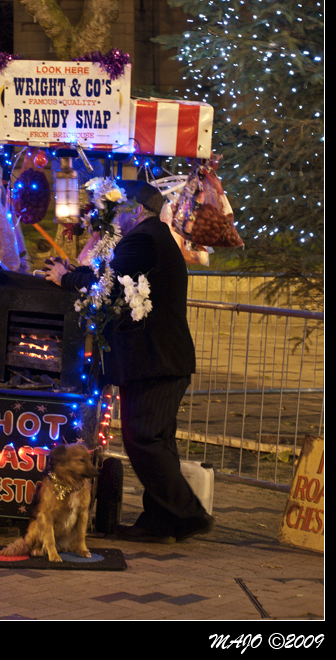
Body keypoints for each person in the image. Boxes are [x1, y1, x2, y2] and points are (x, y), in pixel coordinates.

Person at [44, 179, 214, 543]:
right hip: (159, 360)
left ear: (136, 210)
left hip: (155, 361)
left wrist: (67, 277)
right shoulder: (152, 237)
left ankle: (189, 513)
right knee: (157, 441)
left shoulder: (143, 238)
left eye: (116, 210)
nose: (111, 218)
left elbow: (109, 286)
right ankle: (159, 523)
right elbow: (114, 278)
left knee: (143, 440)